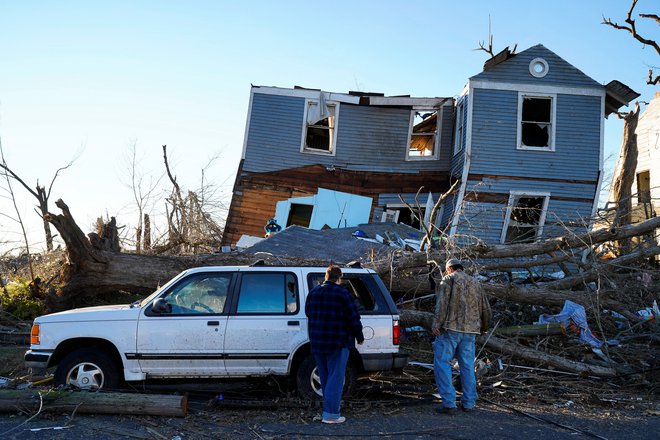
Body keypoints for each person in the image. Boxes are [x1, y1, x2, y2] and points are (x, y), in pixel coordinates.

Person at [305, 265, 364, 424]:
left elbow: (308, 313)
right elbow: (354, 318)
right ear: (339, 278)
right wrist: (359, 336)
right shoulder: (343, 293)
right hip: (338, 341)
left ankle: (327, 411)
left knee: (325, 378)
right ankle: (331, 415)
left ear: (326, 276)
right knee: (336, 378)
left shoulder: (313, 293)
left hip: (317, 341)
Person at [432, 258, 491, 414]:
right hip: (471, 331)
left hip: (451, 328)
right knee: (467, 367)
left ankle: (449, 403)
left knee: (442, 363)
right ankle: (469, 403)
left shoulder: (449, 279)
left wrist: (436, 323)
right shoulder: (476, 282)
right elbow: (485, 307)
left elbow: (442, 302)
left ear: (450, 268)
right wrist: (484, 327)